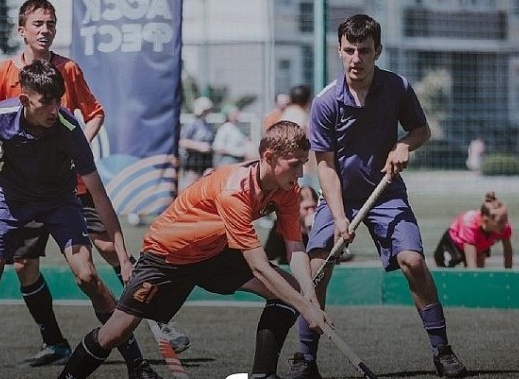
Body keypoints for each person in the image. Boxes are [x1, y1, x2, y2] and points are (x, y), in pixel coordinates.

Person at [0, 0, 189, 366]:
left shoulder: (69, 69)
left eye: (51, 23)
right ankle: (55, 342)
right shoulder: (4, 72)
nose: (45, 30)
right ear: (22, 30)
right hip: (23, 191)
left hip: (69, 188)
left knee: (110, 249)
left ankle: (159, 323)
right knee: (23, 264)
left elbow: (95, 113)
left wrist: (75, 150)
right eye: (38, 23)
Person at [0, 60, 160, 379]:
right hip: (11, 202)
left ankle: (136, 364)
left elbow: (99, 195)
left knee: (88, 277)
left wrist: (123, 257)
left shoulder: (69, 129)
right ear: (25, 100)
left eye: (58, 101)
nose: (55, 109)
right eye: (46, 102)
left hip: (60, 202)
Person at [58, 120, 333, 379]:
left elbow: (295, 247)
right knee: (114, 333)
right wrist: (306, 309)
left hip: (213, 250)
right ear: (270, 157)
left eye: (303, 164)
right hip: (168, 255)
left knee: (289, 291)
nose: (300, 173)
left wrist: (308, 295)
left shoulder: (288, 189)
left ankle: (263, 375)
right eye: (295, 165)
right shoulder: (234, 192)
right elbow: (259, 266)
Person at [289, 14, 468, 379]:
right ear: (339, 50)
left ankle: (443, 351)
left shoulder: (397, 87)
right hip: (339, 197)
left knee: (413, 262)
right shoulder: (326, 102)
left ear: (378, 51)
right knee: (317, 267)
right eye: (349, 50)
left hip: (386, 194)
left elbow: (421, 130)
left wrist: (404, 144)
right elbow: (325, 167)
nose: (356, 58)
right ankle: (305, 358)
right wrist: (339, 217)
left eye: (364, 50)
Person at [434, 192, 513, 269]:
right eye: (500, 222)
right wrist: (474, 273)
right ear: (486, 219)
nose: (505, 225)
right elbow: (472, 267)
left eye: (506, 220)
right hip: (454, 243)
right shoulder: (469, 224)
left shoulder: (504, 227)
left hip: (481, 243)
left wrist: (508, 273)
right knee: (446, 270)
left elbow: (508, 253)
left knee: (480, 269)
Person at [179, 96, 214, 189]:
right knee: (191, 187)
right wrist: (199, 146)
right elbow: (182, 141)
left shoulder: (208, 125)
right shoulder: (192, 124)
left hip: (205, 162)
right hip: (194, 161)